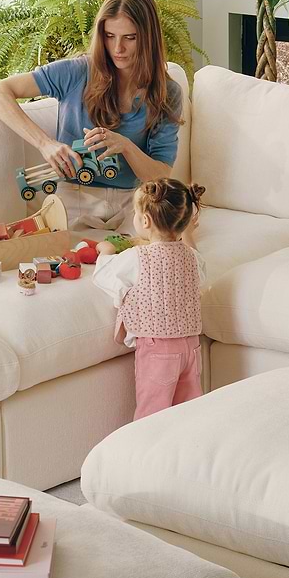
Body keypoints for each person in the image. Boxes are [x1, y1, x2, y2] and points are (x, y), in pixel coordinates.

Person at [0, 0, 183, 232]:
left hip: (134, 203)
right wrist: (45, 144)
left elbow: (160, 176)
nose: (118, 48)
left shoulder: (167, 93)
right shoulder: (76, 72)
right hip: (74, 196)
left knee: (153, 250)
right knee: (66, 253)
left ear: (148, 38)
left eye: (130, 38)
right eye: (109, 36)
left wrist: (125, 146)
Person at [92, 179, 210, 420]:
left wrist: (106, 252)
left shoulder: (138, 257)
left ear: (145, 221)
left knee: (151, 414)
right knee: (189, 412)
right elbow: (201, 276)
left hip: (158, 349)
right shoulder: (191, 257)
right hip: (191, 346)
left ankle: (145, 446)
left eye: (135, 213)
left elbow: (104, 276)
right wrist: (188, 235)